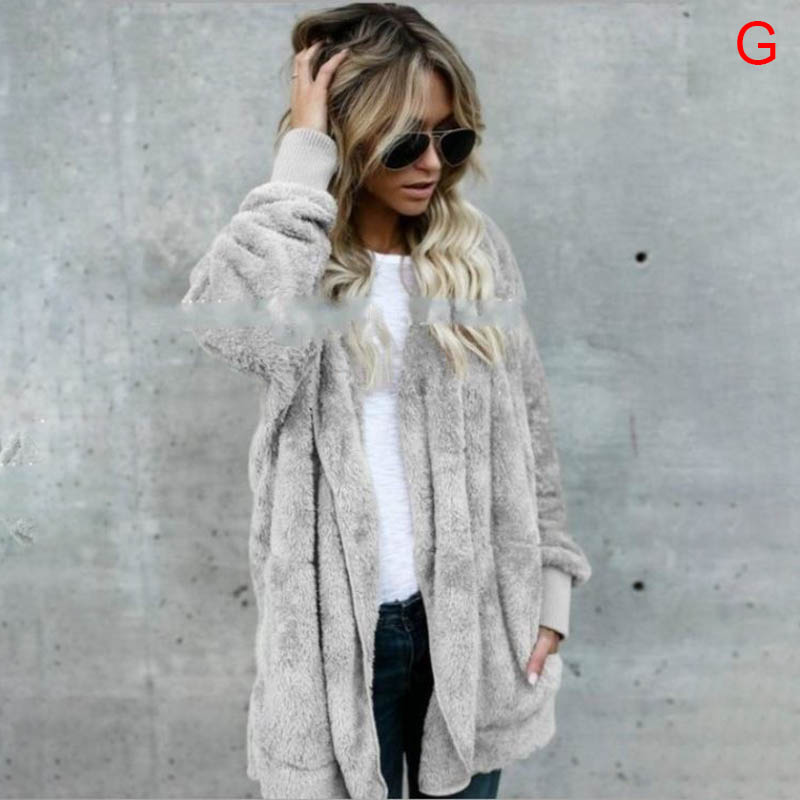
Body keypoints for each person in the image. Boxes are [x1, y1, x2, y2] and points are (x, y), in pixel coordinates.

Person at [181, 4, 592, 799]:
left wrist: (549, 594)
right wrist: (303, 156)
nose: (433, 163)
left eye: (452, 138)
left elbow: (529, 429)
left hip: (474, 626)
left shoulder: (474, 254)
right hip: (340, 639)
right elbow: (234, 328)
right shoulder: (301, 260)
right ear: (351, 135)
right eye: (406, 141)